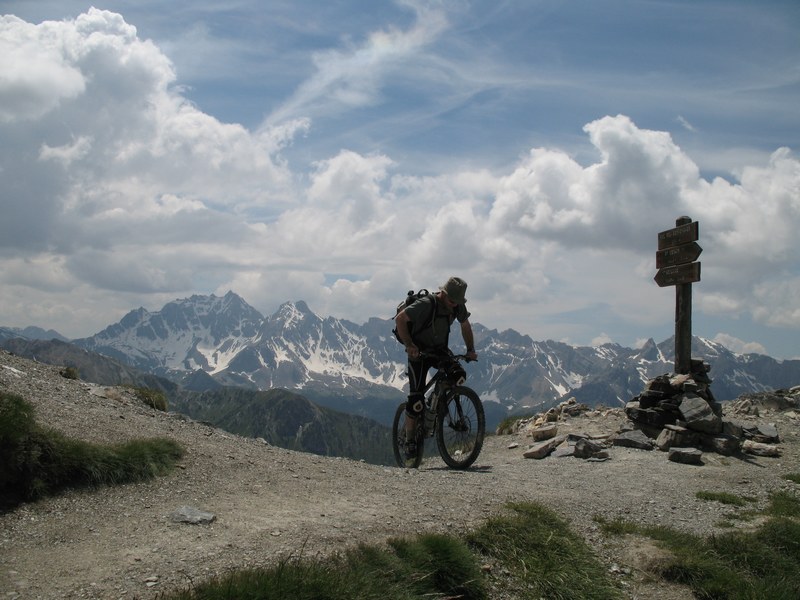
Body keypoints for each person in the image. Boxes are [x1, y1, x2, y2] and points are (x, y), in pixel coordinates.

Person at [394, 276, 478, 457]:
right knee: (416, 402)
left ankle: (436, 402)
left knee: (458, 375)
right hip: (419, 352)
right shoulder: (426, 304)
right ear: (443, 293)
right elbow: (400, 319)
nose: (454, 305)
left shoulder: (456, 305)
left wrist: (470, 349)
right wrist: (409, 345)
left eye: (457, 302)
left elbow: (465, 325)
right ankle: (409, 441)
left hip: (439, 349)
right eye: (451, 301)